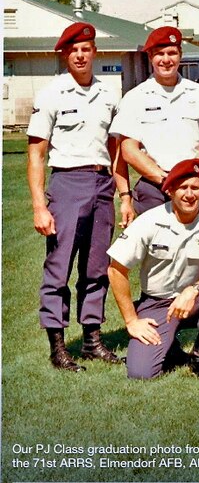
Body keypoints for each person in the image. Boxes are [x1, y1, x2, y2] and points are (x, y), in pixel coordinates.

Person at [27, 21, 135, 371]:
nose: (79, 55)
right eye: (73, 50)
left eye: (85, 49)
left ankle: (92, 340)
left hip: (101, 185)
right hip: (67, 185)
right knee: (59, 269)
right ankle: (58, 348)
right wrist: (39, 205)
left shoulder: (108, 94)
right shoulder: (52, 93)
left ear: (94, 52)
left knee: (97, 267)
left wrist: (124, 194)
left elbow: (115, 148)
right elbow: (36, 154)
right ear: (65, 54)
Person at [106, 159, 199, 379]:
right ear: (169, 191)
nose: (189, 194)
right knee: (141, 374)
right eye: (182, 188)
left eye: (195, 187)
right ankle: (172, 349)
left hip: (197, 299)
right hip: (158, 302)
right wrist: (131, 321)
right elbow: (115, 269)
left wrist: (192, 290)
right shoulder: (150, 220)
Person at [110, 26, 199, 214]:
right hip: (153, 189)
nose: (166, 60)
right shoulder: (135, 97)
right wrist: (166, 180)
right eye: (159, 54)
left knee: (195, 241)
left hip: (192, 184)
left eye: (172, 53)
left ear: (180, 55)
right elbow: (128, 149)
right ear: (150, 56)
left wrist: (188, 176)